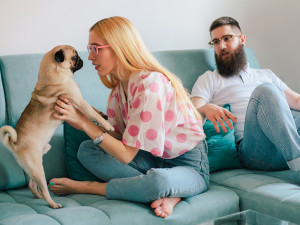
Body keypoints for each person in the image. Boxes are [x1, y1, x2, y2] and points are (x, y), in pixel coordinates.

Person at [49, 16, 209, 218]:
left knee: (160, 181)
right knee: (87, 150)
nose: (90, 57)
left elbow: (125, 155)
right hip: (151, 159)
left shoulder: (150, 85)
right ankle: (163, 191)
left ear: (118, 47)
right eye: (89, 48)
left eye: (96, 48)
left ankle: (93, 187)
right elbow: (121, 140)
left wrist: (84, 122)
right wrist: (83, 123)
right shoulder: (118, 90)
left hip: (189, 165)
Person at [191, 16, 300, 174]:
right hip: (254, 151)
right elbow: (192, 109)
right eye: (216, 42)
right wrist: (205, 108)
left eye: (227, 38)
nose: (221, 46)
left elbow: (296, 100)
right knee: (265, 91)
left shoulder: (266, 74)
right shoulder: (209, 78)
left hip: (284, 141)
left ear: (242, 39)